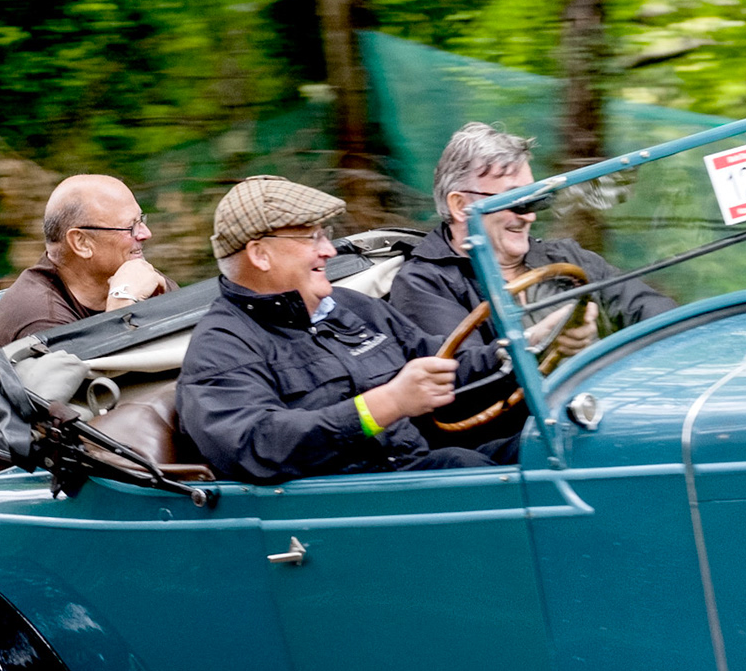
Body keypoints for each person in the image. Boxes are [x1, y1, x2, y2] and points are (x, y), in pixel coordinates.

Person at [177, 175, 519, 483]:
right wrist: (388, 402)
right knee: (474, 472)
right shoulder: (221, 345)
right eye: (312, 237)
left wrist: (521, 350)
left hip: (416, 469)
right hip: (346, 504)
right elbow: (258, 445)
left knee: (541, 447)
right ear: (260, 254)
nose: (328, 250)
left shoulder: (352, 306)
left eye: (325, 235)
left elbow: (440, 362)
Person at [388, 124, 676, 437]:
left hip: (611, 415)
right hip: (518, 443)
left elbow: (651, 309)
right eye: (515, 200)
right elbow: (459, 384)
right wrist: (537, 343)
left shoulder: (567, 257)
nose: (529, 216)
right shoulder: (423, 282)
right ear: (461, 206)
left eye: (535, 200)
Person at [0, 174, 172, 475]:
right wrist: (122, 304)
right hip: (21, 483)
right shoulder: (41, 317)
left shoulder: (129, 279)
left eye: (142, 220)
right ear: (81, 243)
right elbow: (99, 420)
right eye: (130, 227)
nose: (146, 233)